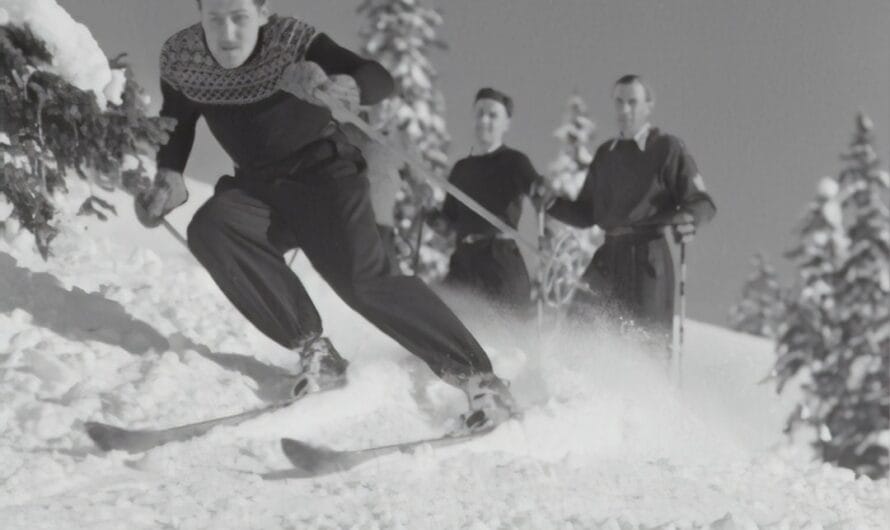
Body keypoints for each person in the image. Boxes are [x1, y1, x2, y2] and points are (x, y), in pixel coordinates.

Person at [135, 0, 516, 430]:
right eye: (214, 19)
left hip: (324, 175)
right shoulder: (183, 58)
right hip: (259, 188)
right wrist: (169, 173)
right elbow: (178, 120)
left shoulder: (290, 40)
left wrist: (345, 87)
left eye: (239, 17)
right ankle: (317, 352)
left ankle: (478, 376)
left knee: (363, 283)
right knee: (213, 228)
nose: (226, 33)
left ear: (262, 12)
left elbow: (379, 78)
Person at [544, 75, 716, 351]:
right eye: (619, 102)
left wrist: (689, 218)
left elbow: (702, 201)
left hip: (648, 256)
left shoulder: (666, 148)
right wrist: (551, 204)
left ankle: (649, 392)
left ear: (648, 105)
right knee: (578, 325)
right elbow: (586, 212)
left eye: (632, 102)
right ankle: (573, 387)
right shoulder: (605, 155)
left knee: (646, 343)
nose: (625, 110)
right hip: (609, 254)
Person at [432, 88, 541, 314]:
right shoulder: (461, 169)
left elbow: (537, 190)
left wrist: (541, 190)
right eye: (480, 113)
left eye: (493, 115)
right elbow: (448, 222)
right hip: (464, 261)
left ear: (506, 123)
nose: (484, 120)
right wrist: (432, 217)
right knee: (446, 322)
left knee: (506, 338)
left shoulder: (515, 161)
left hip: (499, 260)